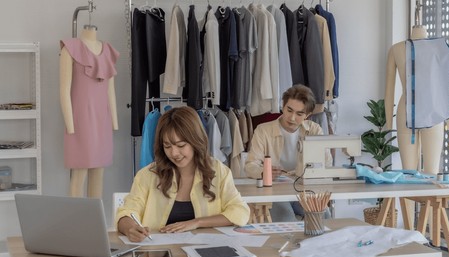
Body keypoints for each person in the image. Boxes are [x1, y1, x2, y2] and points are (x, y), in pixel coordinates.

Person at [116, 107, 250, 242]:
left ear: (196, 141)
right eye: (167, 146)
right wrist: (130, 228)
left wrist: (196, 222)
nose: (174, 153)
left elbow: (240, 212)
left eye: (181, 145)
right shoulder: (147, 175)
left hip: (206, 254)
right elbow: (126, 213)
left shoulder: (219, 171)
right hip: (159, 254)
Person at [245, 84, 331, 222]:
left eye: (299, 114)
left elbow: (326, 163)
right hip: (275, 190)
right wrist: (263, 172)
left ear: (307, 115)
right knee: (285, 217)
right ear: (282, 106)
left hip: (304, 190)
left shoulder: (315, 130)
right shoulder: (263, 130)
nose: (292, 117)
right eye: (289, 110)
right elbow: (250, 165)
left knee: (324, 216)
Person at [384, 24, 449, 174]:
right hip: (419, 113)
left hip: (425, 114)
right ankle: (410, 198)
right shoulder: (396, 49)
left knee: (430, 172)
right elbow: (447, 85)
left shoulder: (438, 48)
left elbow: (446, 84)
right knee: (409, 172)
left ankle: (427, 198)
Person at [59, 25, 119, 198]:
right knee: (79, 174)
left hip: (102, 120)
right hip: (81, 119)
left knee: (98, 174)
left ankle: (94, 223)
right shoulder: (70, 49)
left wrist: (114, 121)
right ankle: (74, 222)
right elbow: (64, 90)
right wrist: (70, 125)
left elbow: (110, 91)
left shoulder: (108, 50)